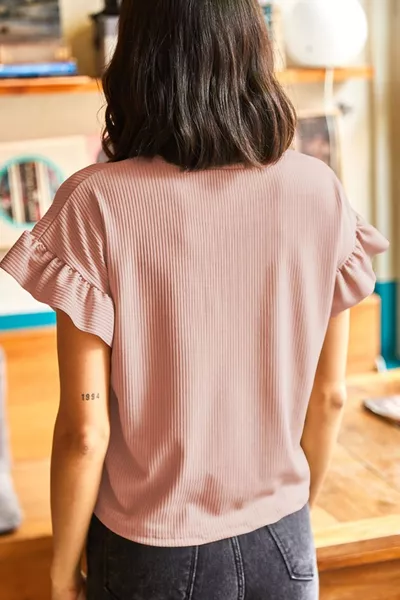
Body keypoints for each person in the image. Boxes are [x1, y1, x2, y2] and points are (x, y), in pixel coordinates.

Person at [0, 0, 388, 598]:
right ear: (253, 50)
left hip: (148, 555)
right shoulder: (320, 190)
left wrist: (60, 573)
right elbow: (329, 396)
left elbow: (85, 432)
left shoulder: (94, 203)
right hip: (283, 538)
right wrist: (288, 518)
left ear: (136, 59)